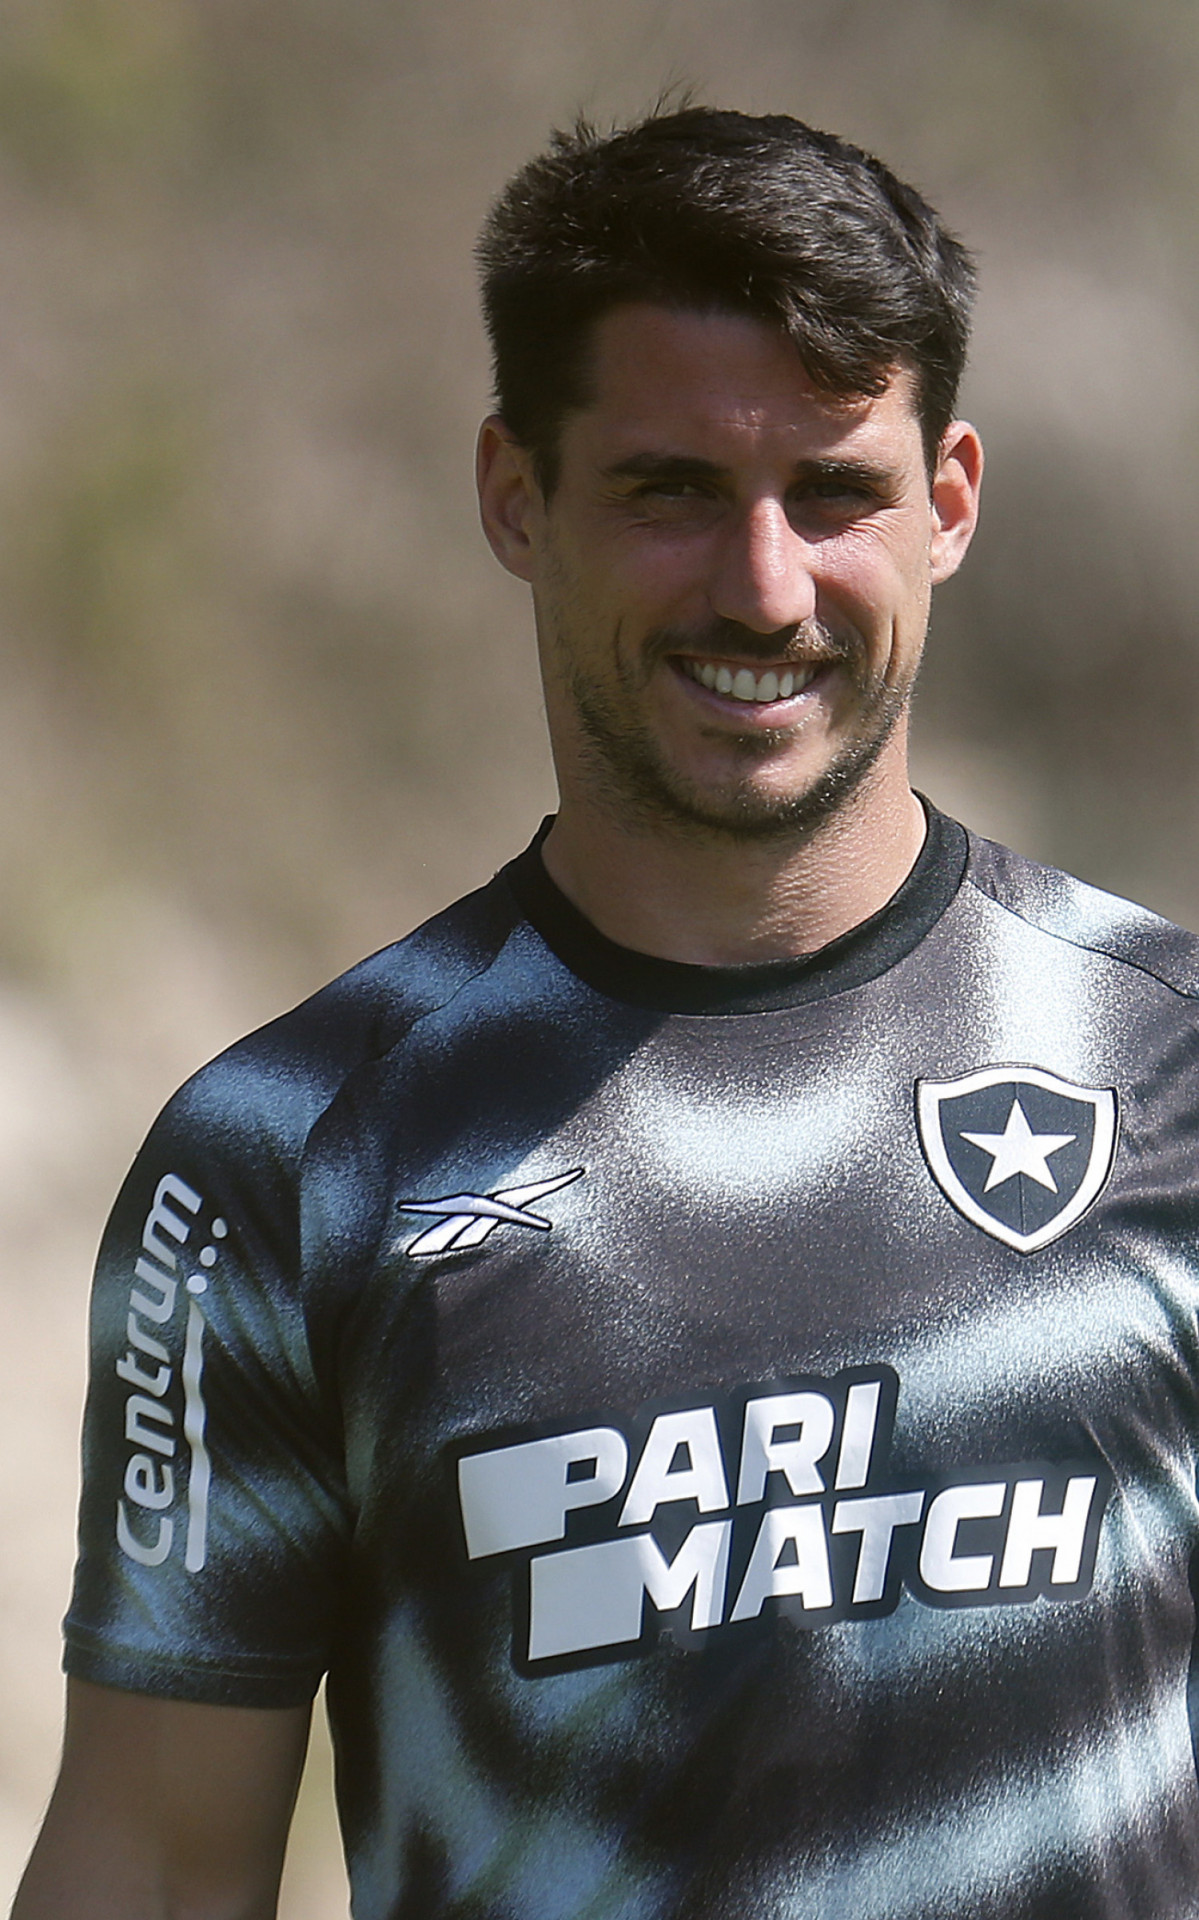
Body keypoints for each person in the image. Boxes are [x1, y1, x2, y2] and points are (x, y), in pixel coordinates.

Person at [12, 103, 1199, 1920]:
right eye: (671, 493)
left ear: (948, 501)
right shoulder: (277, 1167)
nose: (766, 587)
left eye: (835, 493)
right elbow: (159, 1866)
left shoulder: (1171, 1069)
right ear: (514, 494)